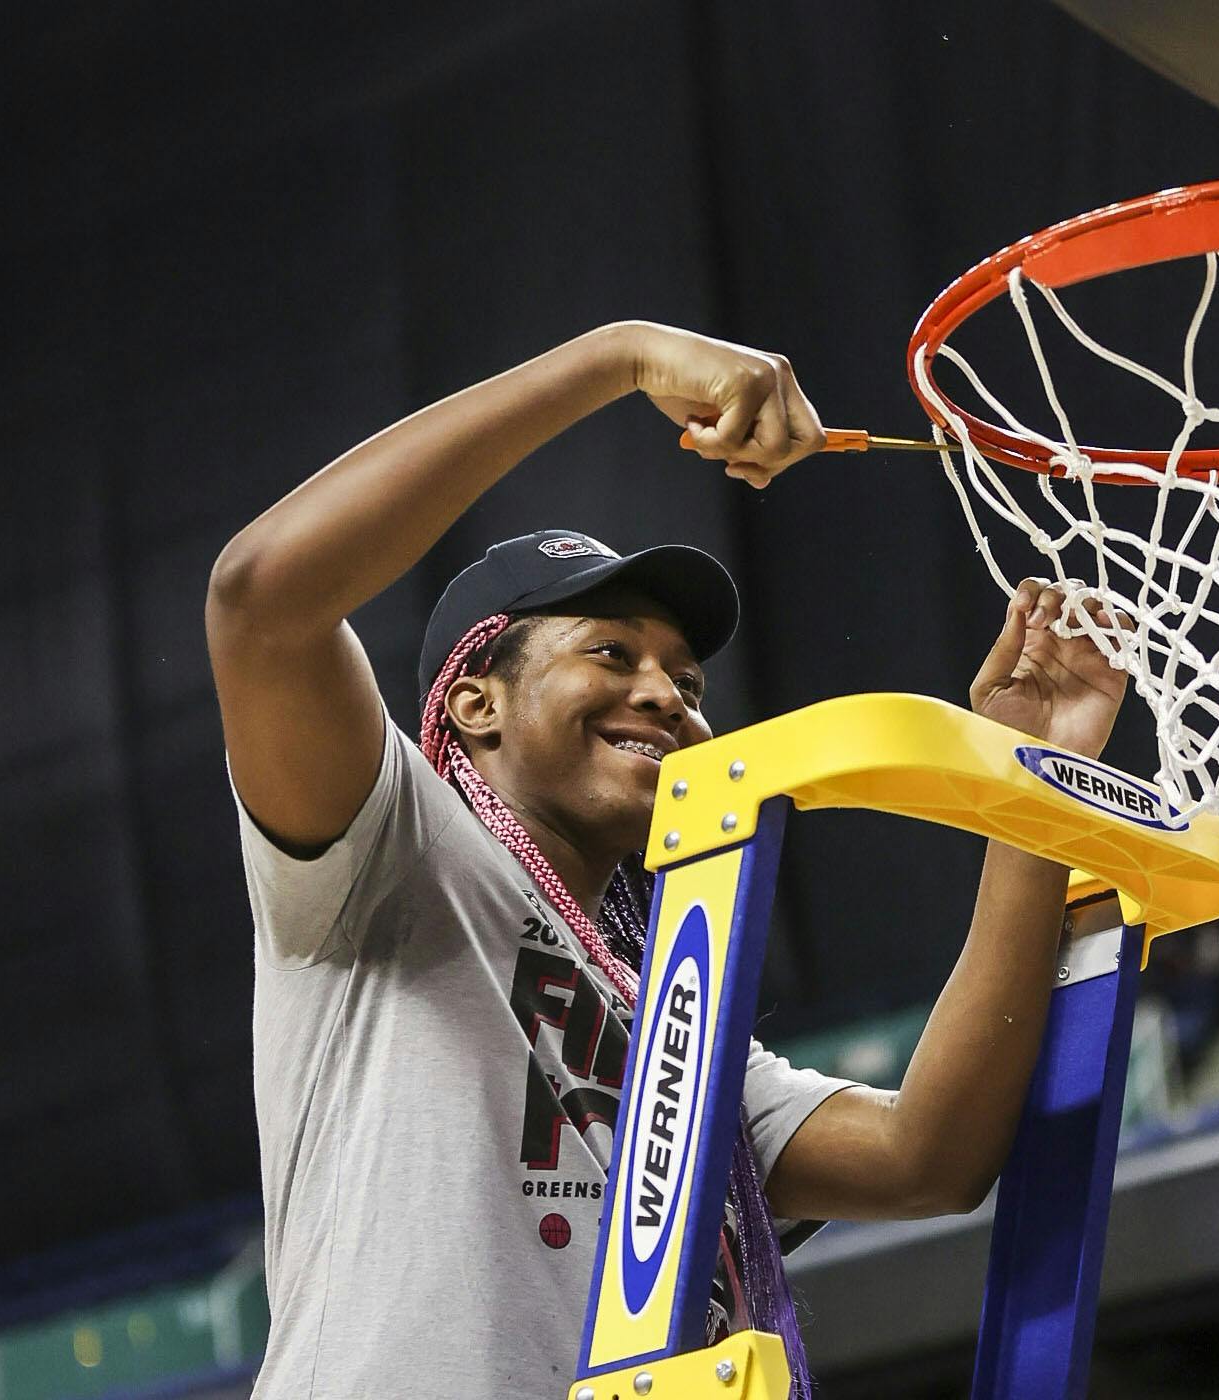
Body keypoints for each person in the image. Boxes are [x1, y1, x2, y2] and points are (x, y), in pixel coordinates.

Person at [205, 321, 1129, 1398]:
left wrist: (1029, 782)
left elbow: (929, 1157)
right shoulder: (391, 847)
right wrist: (620, 356)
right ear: (472, 700)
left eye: (688, 683)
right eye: (611, 652)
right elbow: (258, 598)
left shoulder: (677, 1024)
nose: (665, 695)